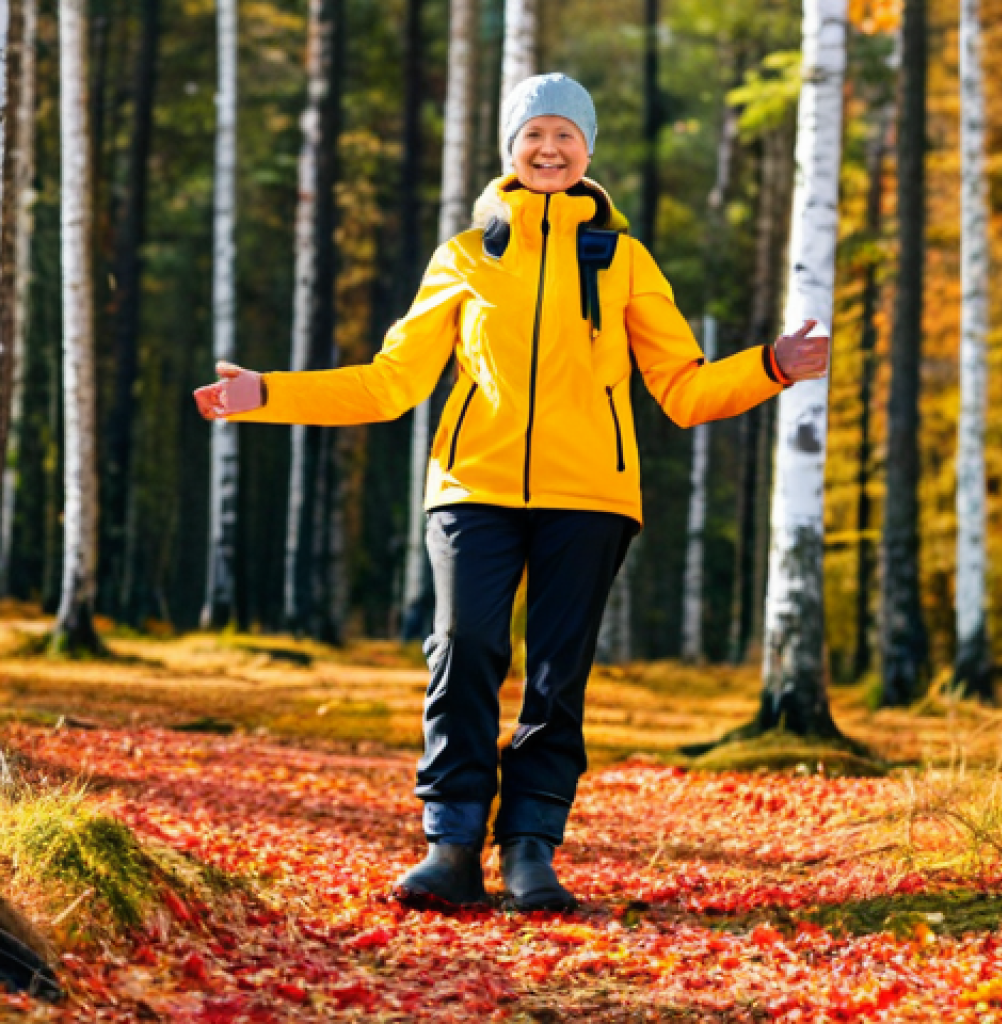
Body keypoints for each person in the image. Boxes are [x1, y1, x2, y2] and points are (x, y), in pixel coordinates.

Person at [195, 73, 829, 913]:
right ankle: (451, 846)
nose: (549, 148)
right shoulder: (462, 255)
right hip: (473, 485)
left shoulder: (624, 259)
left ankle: (531, 850)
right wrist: (268, 392)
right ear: (509, 149)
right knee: (463, 652)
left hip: (591, 495)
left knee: (557, 675)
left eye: (566, 135)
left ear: (588, 152)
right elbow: (390, 384)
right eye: (534, 135)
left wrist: (771, 366)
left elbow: (682, 390)